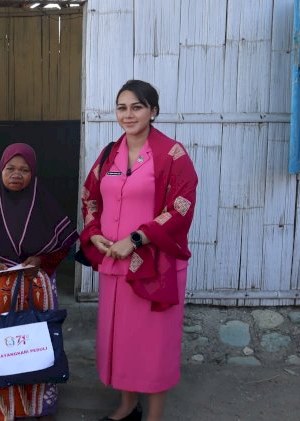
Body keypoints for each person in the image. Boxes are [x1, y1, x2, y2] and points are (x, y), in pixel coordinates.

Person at [79, 80, 198, 421]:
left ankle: (154, 415)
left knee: (154, 344)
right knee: (121, 338)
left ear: (153, 112)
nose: (128, 115)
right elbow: (91, 197)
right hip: (115, 264)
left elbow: (181, 206)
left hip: (154, 264)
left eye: (137, 107)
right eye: (122, 107)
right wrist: (95, 233)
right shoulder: (108, 154)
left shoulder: (173, 155)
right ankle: (127, 405)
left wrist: (134, 240)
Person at [0, 143, 78, 421]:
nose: (17, 174)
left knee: (38, 344)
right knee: (3, 345)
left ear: (33, 173)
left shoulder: (44, 201)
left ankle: (39, 406)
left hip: (37, 284)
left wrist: (40, 260)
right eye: (10, 168)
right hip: (1, 286)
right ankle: (0, 407)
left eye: (24, 170)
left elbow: (65, 243)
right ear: (1, 170)